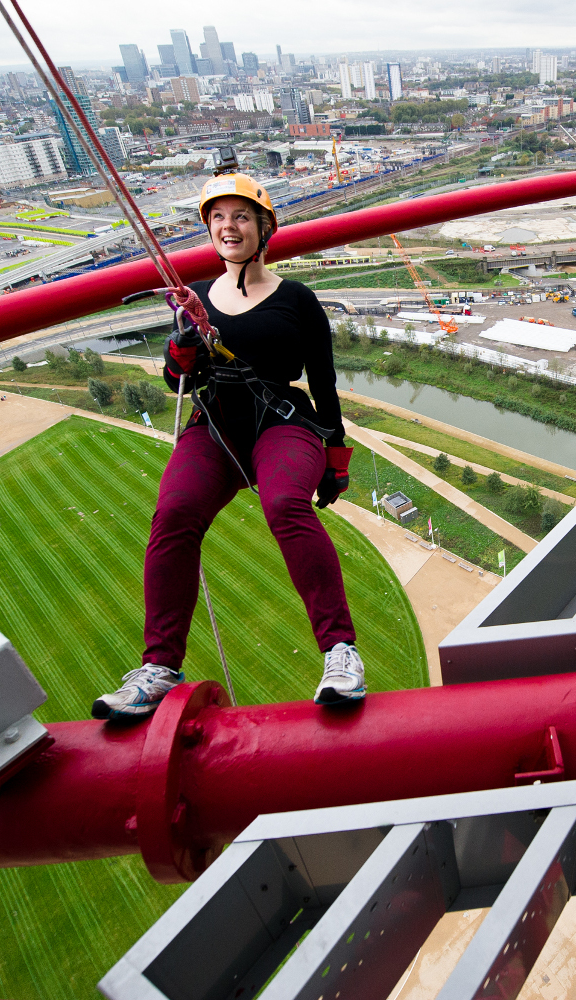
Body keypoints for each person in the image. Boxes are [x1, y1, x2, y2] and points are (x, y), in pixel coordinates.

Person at [92, 173, 363, 719]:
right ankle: (159, 668)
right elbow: (177, 384)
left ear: (265, 229)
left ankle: (341, 653)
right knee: (173, 513)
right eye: (217, 217)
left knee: (285, 503)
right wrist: (182, 348)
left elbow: (324, 382)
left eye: (240, 216)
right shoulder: (194, 299)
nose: (228, 226)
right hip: (216, 421)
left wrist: (335, 462)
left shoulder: (298, 300)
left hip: (282, 422)